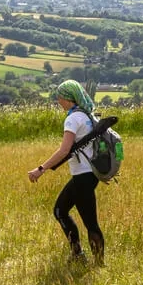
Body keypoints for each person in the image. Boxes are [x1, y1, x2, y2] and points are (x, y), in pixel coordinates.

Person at [27, 80, 106, 264]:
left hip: (83, 176)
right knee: (60, 210)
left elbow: (64, 150)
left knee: (87, 221)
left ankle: (94, 262)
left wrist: (41, 169)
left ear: (68, 98)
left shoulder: (72, 119)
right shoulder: (86, 115)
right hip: (90, 174)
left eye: (60, 97)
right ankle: (79, 254)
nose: (58, 101)